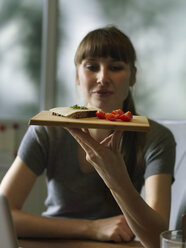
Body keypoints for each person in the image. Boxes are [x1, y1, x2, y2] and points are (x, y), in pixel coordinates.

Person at [0, 26, 175, 248]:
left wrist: (116, 177)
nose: (103, 78)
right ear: (77, 76)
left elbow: (158, 239)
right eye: (92, 67)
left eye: (116, 67)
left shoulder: (156, 138)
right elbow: (3, 215)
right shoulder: (48, 131)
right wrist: (92, 228)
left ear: (133, 76)